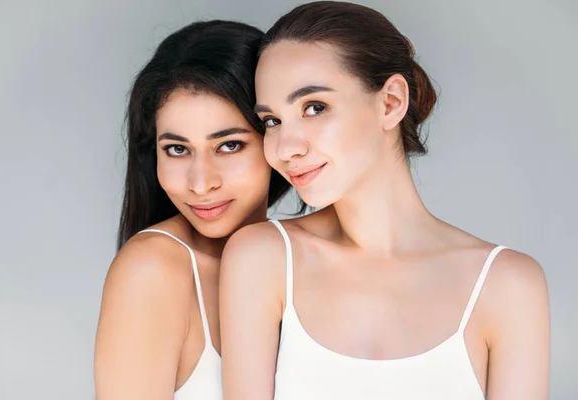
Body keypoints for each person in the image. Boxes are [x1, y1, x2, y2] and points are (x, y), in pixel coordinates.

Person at [219, 2, 550, 399]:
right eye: (272, 121)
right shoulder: (263, 258)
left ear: (390, 101)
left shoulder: (507, 285)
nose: (286, 148)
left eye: (314, 107)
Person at [94, 20, 290, 400]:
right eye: (177, 149)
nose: (201, 183)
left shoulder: (299, 258)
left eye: (229, 145)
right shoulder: (153, 269)